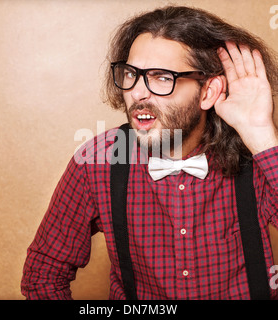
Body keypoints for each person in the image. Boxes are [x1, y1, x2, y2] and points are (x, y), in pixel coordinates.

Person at [21, 5, 278, 300]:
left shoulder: (256, 157)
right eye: (131, 74)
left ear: (208, 92)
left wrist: (260, 133)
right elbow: (42, 275)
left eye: (161, 77)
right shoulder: (97, 162)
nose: (138, 93)